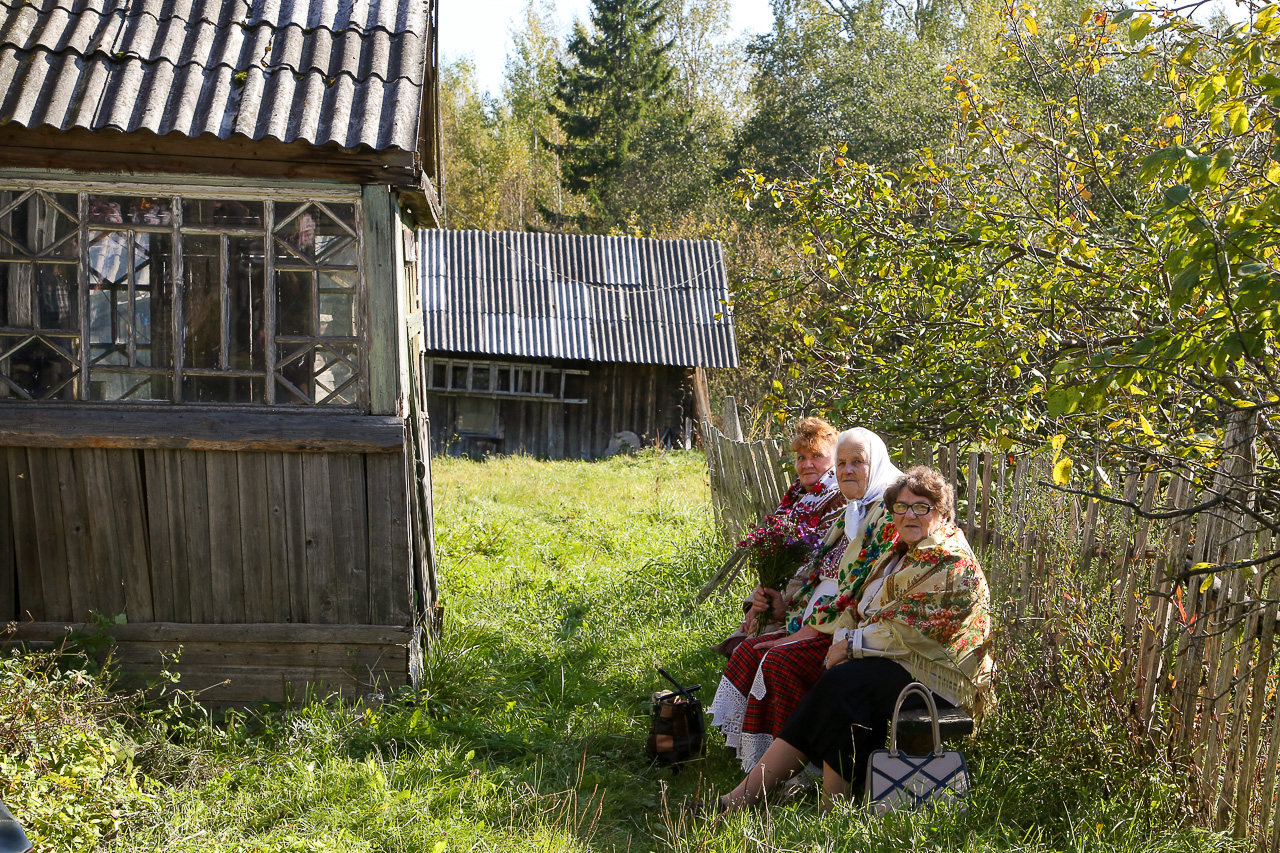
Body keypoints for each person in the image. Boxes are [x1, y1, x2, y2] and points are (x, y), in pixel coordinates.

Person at [713, 466, 993, 813]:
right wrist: (845, 641)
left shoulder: (949, 560)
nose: (910, 515)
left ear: (943, 513)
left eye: (922, 507)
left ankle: (813, 803)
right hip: (897, 662)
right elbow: (859, 604)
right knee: (842, 686)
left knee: (844, 683)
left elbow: (912, 630)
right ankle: (782, 799)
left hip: (940, 677)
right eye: (901, 507)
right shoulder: (901, 551)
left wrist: (849, 645)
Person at [708, 428, 901, 771]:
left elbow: (859, 588)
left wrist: (805, 633)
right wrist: (784, 610)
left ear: (877, 465)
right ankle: (753, 761)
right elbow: (814, 574)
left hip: (847, 630)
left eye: (858, 462)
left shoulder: (888, 517)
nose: (847, 470)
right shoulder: (851, 511)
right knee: (748, 651)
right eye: (842, 463)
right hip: (813, 621)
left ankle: (801, 768)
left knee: (779, 661)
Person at [715, 417, 847, 653]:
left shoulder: (838, 499)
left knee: (748, 650)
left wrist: (775, 606)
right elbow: (776, 559)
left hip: (809, 606)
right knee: (738, 646)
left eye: (817, 456)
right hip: (777, 599)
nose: (807, 464)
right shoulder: (797, 496)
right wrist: (756, 604)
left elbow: (814, 566)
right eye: (801, 457)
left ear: (835, 460)